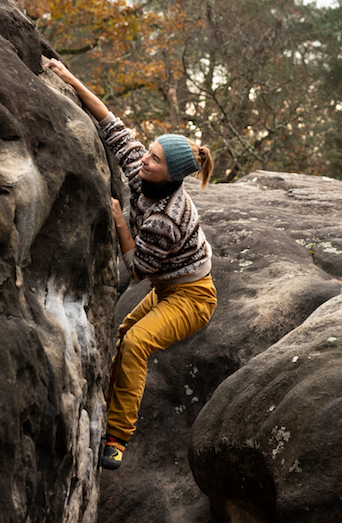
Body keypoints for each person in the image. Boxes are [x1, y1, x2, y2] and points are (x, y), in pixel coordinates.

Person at [45, 58, 217, 471]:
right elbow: (111, 124)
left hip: (193, 298)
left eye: (154, 160)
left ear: (170, 176)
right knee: (124, 332)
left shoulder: (168, 216)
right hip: (169, 287)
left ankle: (118, 437)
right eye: (150, 151)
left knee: (138, 342)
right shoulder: (144, 172)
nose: (145, 160)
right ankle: (106, 403)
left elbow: (139, 268)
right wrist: (70, 78)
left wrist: (121, 222)